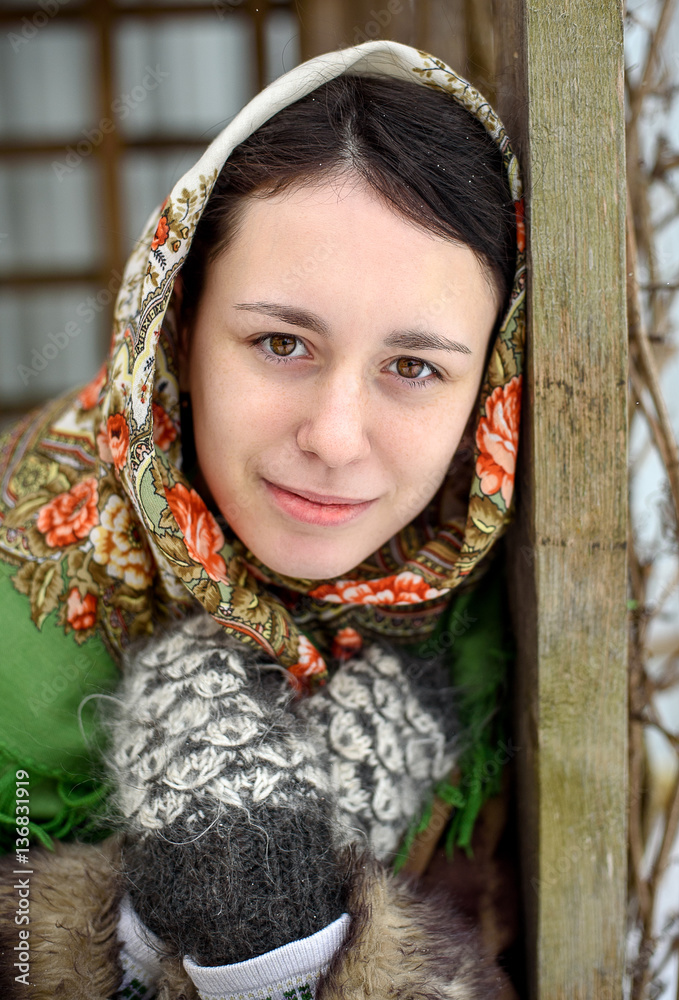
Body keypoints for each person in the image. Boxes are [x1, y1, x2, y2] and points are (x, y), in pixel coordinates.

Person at [0, 39, 525, 998]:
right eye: (281, 342)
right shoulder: (18, 586)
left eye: (414, 368)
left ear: (486, 387)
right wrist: (113, 927)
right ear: (180, 324)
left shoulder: (499, 633)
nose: (333, 437)